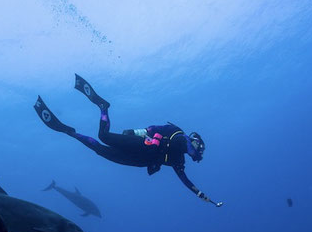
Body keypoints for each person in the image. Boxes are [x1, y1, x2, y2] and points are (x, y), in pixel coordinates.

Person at [34, 74, 222, 206]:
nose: (196, 150)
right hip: (141, 145)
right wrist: (134, 132)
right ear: (194, 140)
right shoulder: (176, 133)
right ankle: (103, 106)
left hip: (140, 161)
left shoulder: (179, 161)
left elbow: (185, 180)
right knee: (103, 136)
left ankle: (70, 133)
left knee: (100, 150)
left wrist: (200, 194)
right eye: (198, 146)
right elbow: (153, 129)